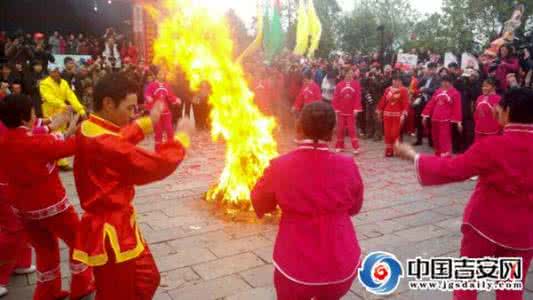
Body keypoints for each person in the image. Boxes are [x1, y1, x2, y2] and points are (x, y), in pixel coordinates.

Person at [394, 87, 533, 300]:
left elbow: (454, 168)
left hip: (484, 226)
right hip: (524, 232)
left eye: (500, 107)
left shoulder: (492, 146)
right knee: (511, 290)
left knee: (467, 285)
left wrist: (415, 157)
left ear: (508, 112)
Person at [71, 73, 192, 300]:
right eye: (128, 108)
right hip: (111, 231)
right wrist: (182, 140)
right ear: (108, 103)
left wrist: (149, 121)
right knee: (116, 293)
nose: (131, 114)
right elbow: (154, 165)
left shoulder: (89, 127)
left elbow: (118, 138)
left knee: (147, 278)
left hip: (122, 223)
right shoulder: (107, 145)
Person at [251, 102, 363, 300]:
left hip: (295, 262)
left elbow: (260, 201)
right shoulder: (347, 164)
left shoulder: (281, 166)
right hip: (340, 260)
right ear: (332, 131)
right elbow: (355, 206)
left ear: (299, 127)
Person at [0, 94, 95, 300]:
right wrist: (75, 128)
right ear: (25, 117)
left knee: (45, 250)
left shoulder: (5, 140)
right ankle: (82, 284)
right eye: (34, 113)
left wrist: (58, 125)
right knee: (78, 240)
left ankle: (48, 292)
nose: (36, 116)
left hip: (23, 209)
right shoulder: (35, 142)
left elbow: (46, 139)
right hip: (52, 205)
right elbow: (67, 146)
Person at [40, 67, 86, 170]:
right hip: (50, 113)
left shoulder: (64, 83)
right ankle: (59, 161)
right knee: (53, 135)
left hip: (63, 111)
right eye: (52, 71)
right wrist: (63, 105)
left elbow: (71, 96)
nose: (54, 73)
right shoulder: (44, 83)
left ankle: (59, 160)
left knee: (62, 134)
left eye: (56, 71)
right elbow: (49, 98)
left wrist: (80, 110)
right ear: (49, 72)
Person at [421, 75, 462, 157]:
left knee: (444, 140)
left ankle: (445, 158)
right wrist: (425, 115)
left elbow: (457, 108)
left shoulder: (455, 93)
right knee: (435, 139)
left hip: (445, 121)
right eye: (443, 82)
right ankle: (438, 156)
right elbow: (431, 103)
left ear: (451, 83)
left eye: (447, 82)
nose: (444, 84)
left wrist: (458, 122)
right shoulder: (438, 91)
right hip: (435, 119)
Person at [144, 68, 181, 150]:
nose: (162, 75)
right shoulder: (152, 85)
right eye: (160, 74)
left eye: (163, 74)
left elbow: (171, 96)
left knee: (169, 129)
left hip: (165, 110)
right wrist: (149, 98)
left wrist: (176, 100)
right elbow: (147, 93)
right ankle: (158, 148)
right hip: (156, 112)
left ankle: (170, 146)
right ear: (156, 75)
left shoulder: (166, 85)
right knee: (158, 131)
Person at [376, 75, 409, 157]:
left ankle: (397, 150)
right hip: (387, 114)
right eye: (394, 80)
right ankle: (389, 150)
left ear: (401, 81)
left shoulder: (403, 90)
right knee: (387, 133)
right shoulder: (387, 89)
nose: (396, 82)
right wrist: (379, 110)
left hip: (397, 115)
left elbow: (406, 103)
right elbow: (383, 101)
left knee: (395, 133)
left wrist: (404, 114)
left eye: (398, 80)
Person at [332, 68, 362, 154]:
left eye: (351, 73)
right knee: (340, 129)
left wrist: (356, 108)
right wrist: (336, 109)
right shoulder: (339, 85)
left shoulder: (356, 84)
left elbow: (358, 97)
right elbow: (336, 97)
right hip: (341, 110)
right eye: (348, 73)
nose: (349, 75)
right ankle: (340, 145)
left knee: (352, 129)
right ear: (344, 74)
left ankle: (356, 147)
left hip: (351, 111)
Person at [413, 63, 440, 146]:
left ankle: (431, 141)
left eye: (433, 69)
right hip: (422, 100)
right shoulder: (425, 77)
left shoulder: (438, 78)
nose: (431, 71)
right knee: (418, 120)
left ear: (436, 69)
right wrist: (424, 77)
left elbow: (435, 90)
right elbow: (417, 86)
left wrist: (425, 89)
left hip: (431, 102)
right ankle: (419, 139)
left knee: (429, 122)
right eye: (429, 69)